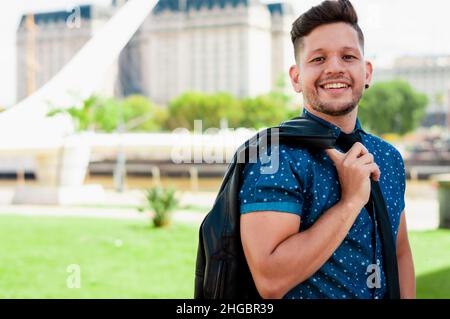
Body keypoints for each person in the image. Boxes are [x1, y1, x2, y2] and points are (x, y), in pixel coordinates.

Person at [239, 0, 415, 299]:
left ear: (367, 72)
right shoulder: (274, 156)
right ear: (296, 78)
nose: (334, 68)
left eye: (348, 56)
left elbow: (399, 254)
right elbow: (271, 280)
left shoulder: (388, 157)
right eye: (318, 59)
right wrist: (349, 203)